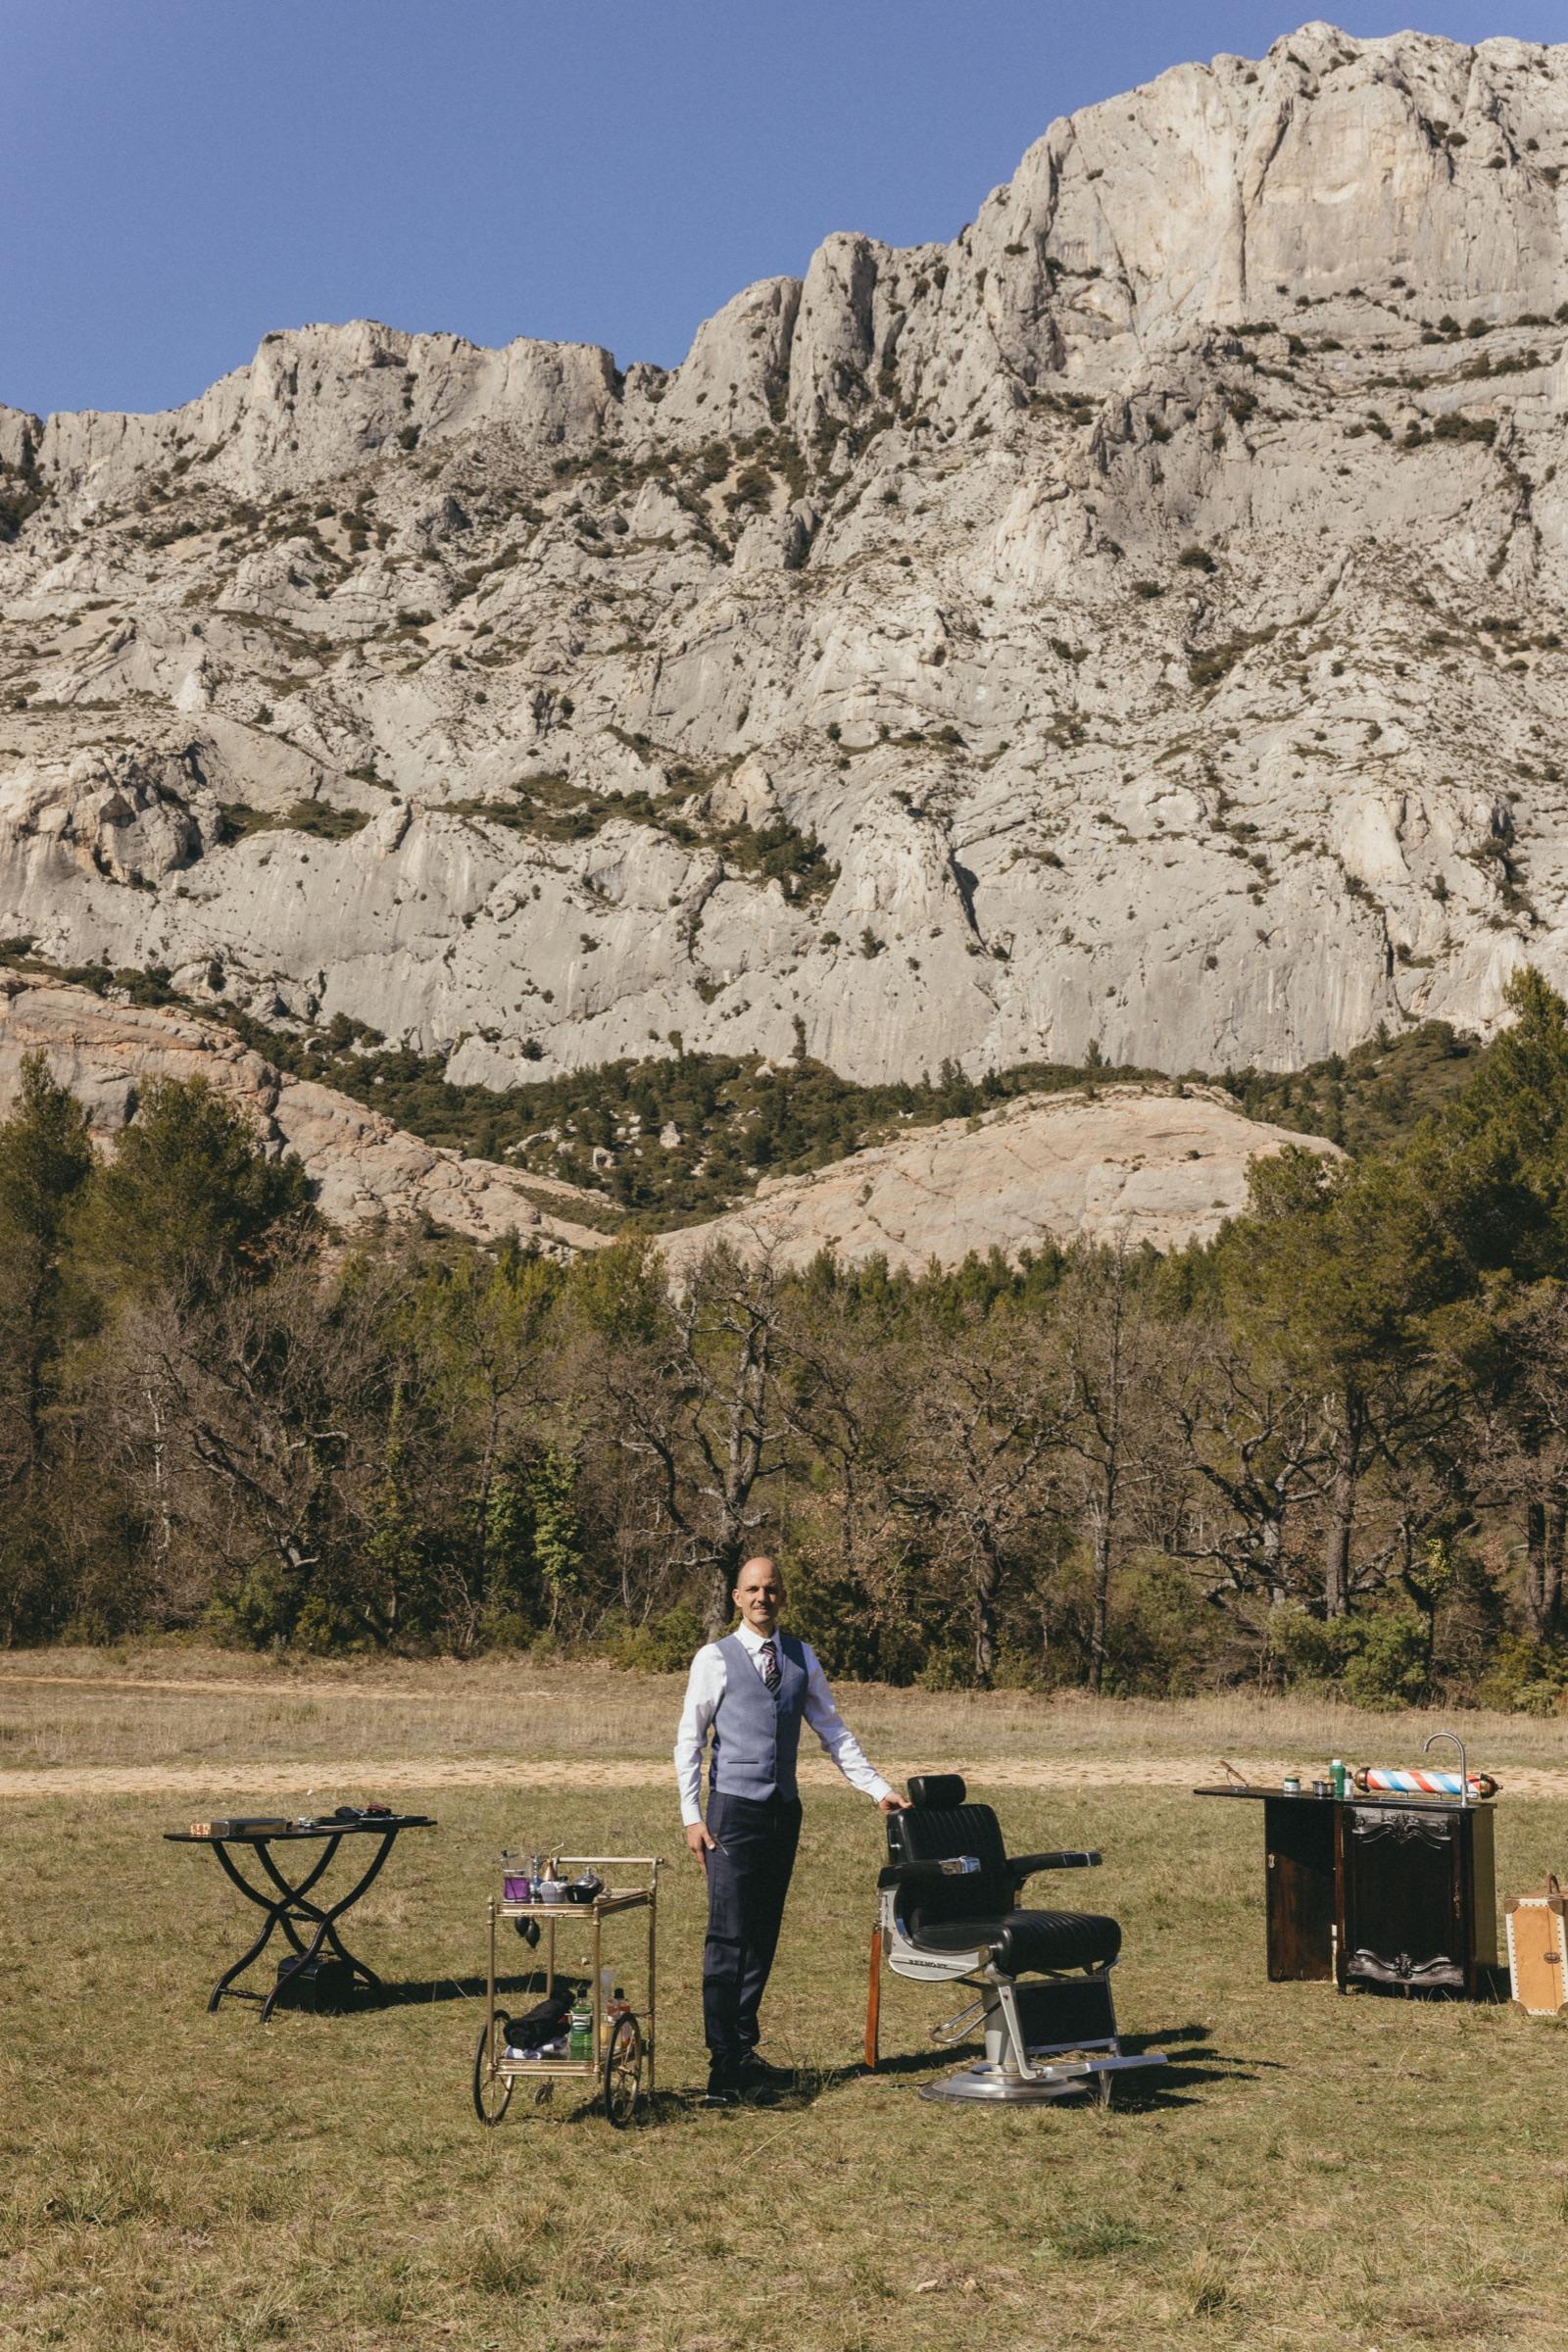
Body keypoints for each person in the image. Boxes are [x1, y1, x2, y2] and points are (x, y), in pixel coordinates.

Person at [673, 1553, 906, 2105]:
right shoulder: (715, 1658)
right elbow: (690, 1740)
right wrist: (691, 1816)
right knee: (727, 1936)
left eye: (771, 1589)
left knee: (762, 1934)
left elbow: (832, 1729)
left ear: (783, 1595)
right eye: (752, 1589)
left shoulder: (801, 1656)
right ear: (737, 1597)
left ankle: (745, 2049)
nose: (762, 1598)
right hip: (730, 1812)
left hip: (783, 1813)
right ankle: (722, 2065)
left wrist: (877, 1788)